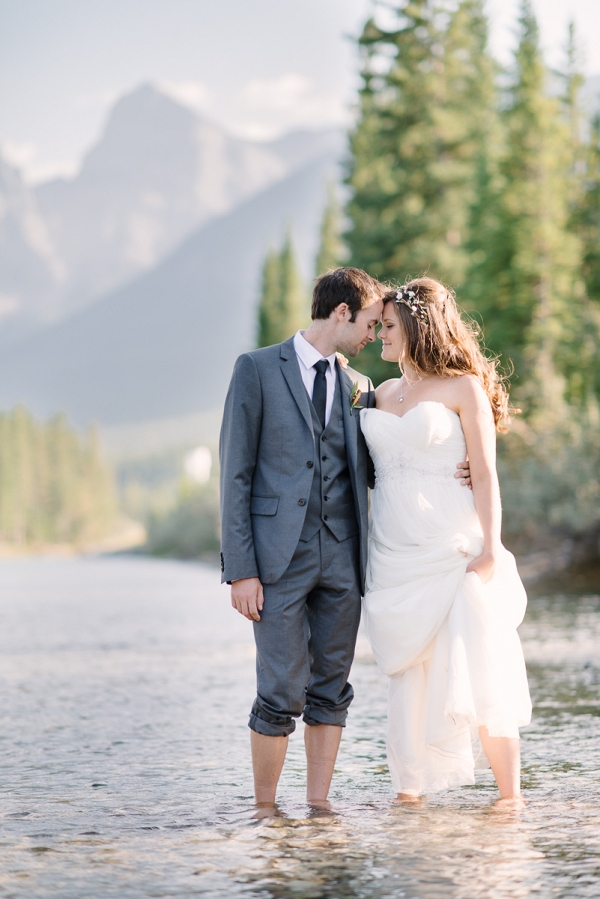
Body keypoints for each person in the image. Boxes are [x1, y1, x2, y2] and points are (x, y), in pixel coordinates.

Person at [219, 267, 473, 814]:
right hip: (274, 562)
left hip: (344, 559)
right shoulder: (257, 369)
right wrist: (240, 569)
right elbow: (234, 474)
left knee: (331, 688)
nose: (373, 336)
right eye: (369, 324)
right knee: (279, 689)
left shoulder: (361, 388)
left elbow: (389, 463)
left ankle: (318, 808)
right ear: (341, 314)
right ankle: (264, 811)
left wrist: (461, 461)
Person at [360, 278, 532, 804]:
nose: (379, 335)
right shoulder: (377, 394)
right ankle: (409, 799)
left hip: (454, 550)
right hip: (394, 555)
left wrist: (490, 548)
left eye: (387, 326)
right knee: (409, 678)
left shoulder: (464, 389)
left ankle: (510, 800)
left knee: (479, 667)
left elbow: (484, 473)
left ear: (415, 327)